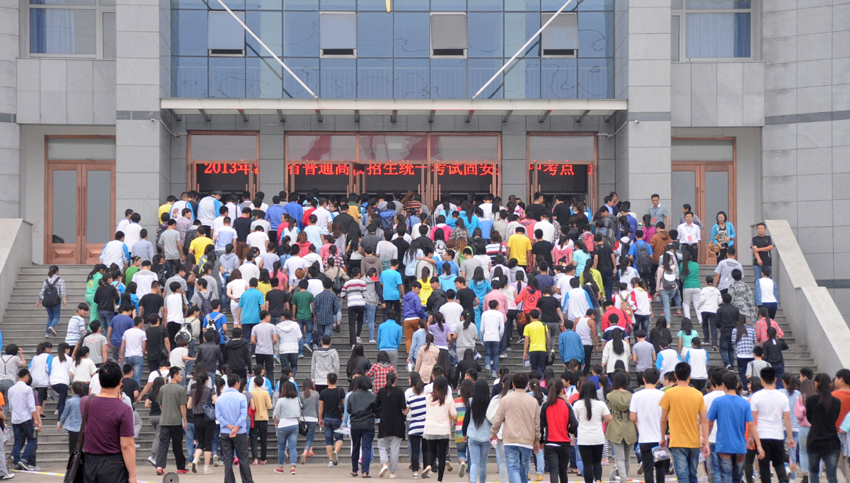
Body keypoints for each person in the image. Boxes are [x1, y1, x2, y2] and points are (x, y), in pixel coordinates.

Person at [78, 361, 137, 482]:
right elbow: (127, 445)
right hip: (113, 464)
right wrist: (133, 475)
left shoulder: (85, 402)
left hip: (89, 462)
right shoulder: (124, 409)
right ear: (120, 382)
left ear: (99, 382)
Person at [708, 371, 763, 483]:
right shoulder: (745, 403)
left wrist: (705, 439)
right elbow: (752, 424)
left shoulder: (717, 402)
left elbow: (709, 422)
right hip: (740, 446)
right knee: (737, 478)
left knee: (726, 477)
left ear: (724, 385)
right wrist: (759, 445)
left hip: (723, 445)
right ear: (737, 385)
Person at [659, 362, 710, 483]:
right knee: (693, 475)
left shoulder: (669, 393)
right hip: (694, 441)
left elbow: (663, 419)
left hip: (677, 441)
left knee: (682, 476)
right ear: (689, 376)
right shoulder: (698, 394)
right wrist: (706, 443)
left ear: (675, 376)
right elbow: (703, 420)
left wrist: (662, 437)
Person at [489, 372, 540, 483]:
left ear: (513, 384)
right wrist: (537, 440)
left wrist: (493, 433)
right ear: (527, 384)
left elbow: (498, 419)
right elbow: (537, 423)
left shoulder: (506, 399)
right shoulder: (533, 401)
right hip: (527, 439)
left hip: (510, 438)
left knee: (512, 467)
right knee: (524, 467)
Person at [750, 366, 794, 483]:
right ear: (775, 379)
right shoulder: (782, 396)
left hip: (762, 435)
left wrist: (750, 437)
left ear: (762, 380)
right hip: (778, 435)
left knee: (764, 466)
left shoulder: (756, 396)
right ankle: (783, 480)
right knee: (779, 463)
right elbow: (787, 418)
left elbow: (752, 421)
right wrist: (790, 437)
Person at [629, 368, 667, 483]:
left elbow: (632, 417)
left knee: (648, 468)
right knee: (660, 467)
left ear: (643, 379)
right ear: (657, 381)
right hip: (660, 437)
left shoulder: (636, 395)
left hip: (644, 437)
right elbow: (667, 416)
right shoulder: (663, 395)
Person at [572, 379, 612, 483]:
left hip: (583, 438)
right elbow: (609, 418)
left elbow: (572, 420)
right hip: (598, 437)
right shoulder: (601, 404)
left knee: (587, 464)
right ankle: (598, 480)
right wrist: (603, 424)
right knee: (597, 462)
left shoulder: (577, 404)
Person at [216, 375, 254, 483]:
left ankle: (229, 481)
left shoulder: (220, 398)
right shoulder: (241, 397)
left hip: (225, 432)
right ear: (237, 383)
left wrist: (229, 426)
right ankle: (247, 481)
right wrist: (236, 427)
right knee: (243, 458)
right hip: (240, 432)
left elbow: (218, 416)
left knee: (227, 459)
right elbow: (243, 415)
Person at [421, 376, 457, 482]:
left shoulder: (428, 398)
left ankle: (428, 465)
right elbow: (454, 414)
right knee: (441, 456)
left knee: (431, 451)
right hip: (443, 430)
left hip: (429, 429)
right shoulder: (448, 399)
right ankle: (439, 479)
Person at [808, 372, 842, 483]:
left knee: (813, 473)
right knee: (832, 476)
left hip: (814, 440)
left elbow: (809, 419)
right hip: (832, 441)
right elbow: (835, 418)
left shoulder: (810, 400)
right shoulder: (837, 402)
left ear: (816, 384)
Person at [155, 366, 188, 475]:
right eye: (180, 374)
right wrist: (185, 419)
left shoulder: (163, 388)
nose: (181, 376)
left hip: (164, 420)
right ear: (175, 375)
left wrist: (166, 412)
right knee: (177, 444)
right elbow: (182, 406)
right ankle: (180, 467)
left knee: (163, 444)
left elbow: (160, 405)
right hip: (176, 421)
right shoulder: (181, 389)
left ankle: (159, 466)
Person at [375, 372, 406, 478]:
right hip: (398, 423)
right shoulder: (400, 391)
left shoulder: (381, 391)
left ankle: (384, 463)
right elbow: (403, 406)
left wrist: (379, 415)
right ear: (395, 380)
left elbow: (376, 405)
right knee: (395, 448)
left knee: (381, 445)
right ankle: (392, 472)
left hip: (385, 422)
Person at [9, 369, 40, 471]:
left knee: (17, 441)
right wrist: (36, 419)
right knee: (31, 440)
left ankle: (17, 462)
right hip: (25, 418)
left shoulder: (11, 389)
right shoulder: (27, 389)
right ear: (26, 376)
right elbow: (32, 406)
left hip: (15, 419)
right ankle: (24, 459)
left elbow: (10, 407)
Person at [347, 375, 377, 478]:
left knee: (355, 447)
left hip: (355, 424)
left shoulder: (352, 396)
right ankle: (365, 472)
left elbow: (348, 410)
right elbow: (376, 411)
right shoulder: (373, 396)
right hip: (368, 424)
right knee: (366, 447)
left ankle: (354, 470)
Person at [187, 372, 217, 474]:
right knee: (208, 443)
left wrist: (197, 407)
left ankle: (195, 460)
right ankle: (206, 467)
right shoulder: (210, 390)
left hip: (196, 419)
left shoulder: (193, 391)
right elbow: (216, 402)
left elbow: (189, 406)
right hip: (208, 419)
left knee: (201, 441)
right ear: (206, 381)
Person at [318, 372, 346, 467]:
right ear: (336, 381)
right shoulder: (340, 391)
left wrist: (320, 418)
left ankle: (331, 460)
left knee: (328, 440)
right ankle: (336, 451)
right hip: (337, 418)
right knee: (339, 438)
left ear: (327, 381)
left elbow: (321, 407)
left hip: (327, 418)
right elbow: (344, 405)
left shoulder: (323, 392)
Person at [36, 265, 66, 337]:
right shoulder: (60, 280)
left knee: (50, 317)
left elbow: (42, 291)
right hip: (55, 301)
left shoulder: (46, 280)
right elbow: (62, 291)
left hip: (46, 301)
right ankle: (52, 326)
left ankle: (47, 333)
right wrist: (64, 300)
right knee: (56, 316)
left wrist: (39, 300)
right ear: (57, 271)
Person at [697, 276, 722, 350]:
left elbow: (702, 299)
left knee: (705, 325)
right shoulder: (716, 290)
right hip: (714, 310)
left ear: (706, 282)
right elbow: (720, 301)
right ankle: (714, 344)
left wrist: (699, 306)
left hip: (704, 309)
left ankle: (706, 339)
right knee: (713, 327)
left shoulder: (704, 290)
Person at [298, 379, 319, 466]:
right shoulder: (316, 393)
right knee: (310, 436)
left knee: (309, 435)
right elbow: (318, 406)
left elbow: (300, 407)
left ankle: (310, 449)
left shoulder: (301, 394)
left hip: (303, 418)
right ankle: (305, 452)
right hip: (313, 417)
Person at [523, 309, 550, 375]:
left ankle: (534, 382)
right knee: (542, 369)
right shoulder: (544, 325)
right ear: (538, 316)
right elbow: (548, 338)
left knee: (534, 369)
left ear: (530, 316)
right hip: (542, 350)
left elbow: (526, 340)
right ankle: (542, 383)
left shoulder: (527, 326)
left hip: (533, 349)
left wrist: (525, 352)